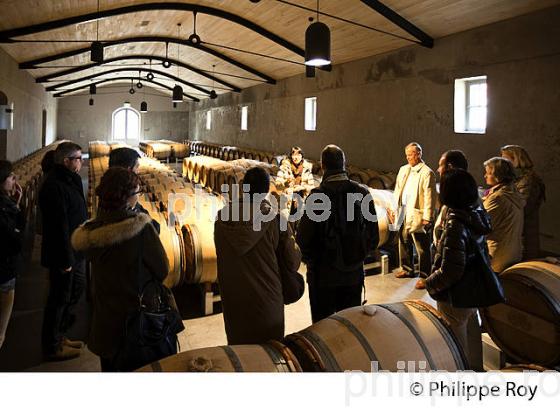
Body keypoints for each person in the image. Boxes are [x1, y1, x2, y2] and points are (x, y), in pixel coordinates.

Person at [71, 167, 169, 371]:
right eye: (137, 193)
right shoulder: (140, 229)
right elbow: (162, 269)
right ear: (126, 197)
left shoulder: (91, 231)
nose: (139, 197)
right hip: (135, 320)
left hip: (105, 319)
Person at [214, 167, 301, 344]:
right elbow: (293, 262)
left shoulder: (221, 218)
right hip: (267, 304)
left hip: (234, 303)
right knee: (268, 359)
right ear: (267, 190)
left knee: (239, 356)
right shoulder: (276, 220)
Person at [297, 145, 379, 323]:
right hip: (353, 275)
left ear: (322, 166)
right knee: (350, 330)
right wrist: (356, 257)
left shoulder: (318, 197)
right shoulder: (361, 193)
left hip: (322, 278)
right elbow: (374, 237)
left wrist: (313, 263)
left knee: (323, 331)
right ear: (344, 164)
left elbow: (303, 239)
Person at [425, 169, 492, 371]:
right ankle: (477, 373)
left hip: (456, 294)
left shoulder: (456, 224)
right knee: (473, 336)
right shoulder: (477, 216)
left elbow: (451, 270)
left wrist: (431, 284)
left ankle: (461, 387)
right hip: (473, 288)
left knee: (456, 344)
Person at [39, 142, 88, 360]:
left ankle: (61, 336)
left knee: (74, 291)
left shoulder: (72, 179)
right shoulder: (53, 185)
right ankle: (52, 346)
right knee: (58, 300)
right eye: (78, 158)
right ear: (66, 161)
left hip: (75, 250)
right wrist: (65, 259)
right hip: (63, 254)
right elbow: (58, 226)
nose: (82, 161)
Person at [417, 150, 470, 290]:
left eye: (441, 165)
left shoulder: (457, 213)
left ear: (450, 167)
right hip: (446, 271)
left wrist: (431, 283)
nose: (438, 169)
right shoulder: (463, 198)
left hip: (451, 290)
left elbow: (451, 267)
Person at [391, 142, 436, 281]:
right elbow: (397, 189)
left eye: (410, 155)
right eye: (407, 155)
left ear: (419, 154)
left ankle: (425, 276)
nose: (408, 158)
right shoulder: (403, 169)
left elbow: (430, 196)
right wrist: (393, 208)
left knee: (421, 246)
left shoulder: (426, 172)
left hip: (416, 212)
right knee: (403, 240)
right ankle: (407, 268)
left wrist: (428, 216)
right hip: (402, 209)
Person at [500, 145, 545, 259]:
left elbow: (523, 207)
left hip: (525, 234)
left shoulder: (529, 180)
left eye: (505, 159)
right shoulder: (516, 179)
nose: (502, 164)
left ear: (516, 159)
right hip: (517, 232)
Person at [482, 157, 525, 272]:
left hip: (496, 254)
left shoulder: (498, 198)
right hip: (513, 252)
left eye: (488, 173)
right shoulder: (513, 193)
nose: (485, 176)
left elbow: (481, 226)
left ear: (498, 175)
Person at [0, 161, 24, 350]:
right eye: (11, 177)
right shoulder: (2, 206)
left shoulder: (6, 203)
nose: (15, 180)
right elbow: (13, 237)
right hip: (4, 266)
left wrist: (15, 203)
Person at [108, 147, 159, 233]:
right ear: (128, 170)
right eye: (137, 167)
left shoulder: (111, 191)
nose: (138, 171)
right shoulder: (125, 198)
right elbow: (152, 228)